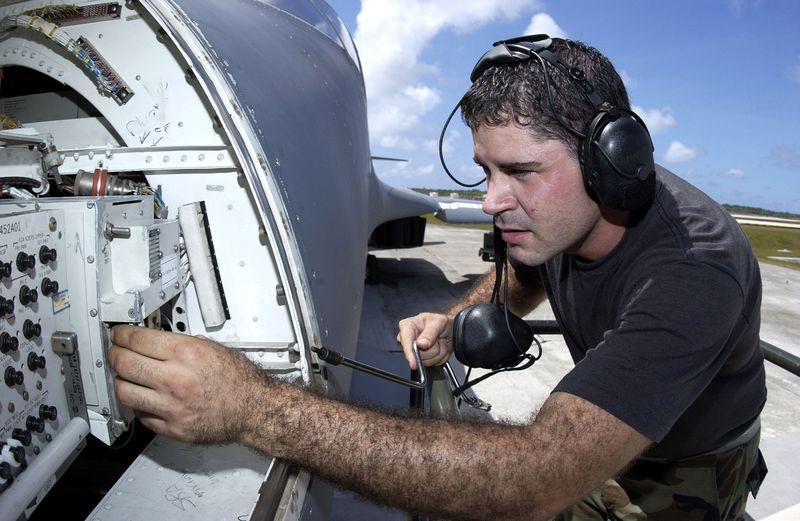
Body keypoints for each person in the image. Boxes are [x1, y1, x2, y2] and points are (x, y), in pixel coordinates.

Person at [108, 35, 767, 521]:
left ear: (609, 162)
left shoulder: (694, 271)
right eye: (485, 171)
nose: (490, 199)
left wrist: (252, 407)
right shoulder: (568, 211)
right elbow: (528, 271)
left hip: (687, 472)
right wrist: (452, 322)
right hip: (613, 435)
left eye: (520, 171)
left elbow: (535, 480)